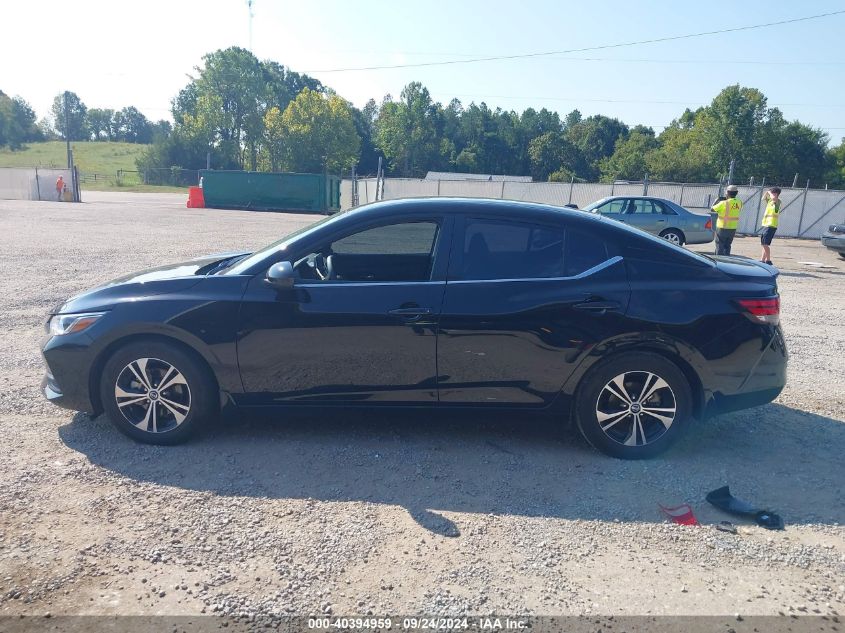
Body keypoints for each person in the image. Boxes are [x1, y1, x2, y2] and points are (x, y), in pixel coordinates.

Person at [711, 184, 742, 256]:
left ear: (727, 193)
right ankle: (727, 261)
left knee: (719, 245)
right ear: (736, 193)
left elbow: (712, 209)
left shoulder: (723, 203)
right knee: (728, 246)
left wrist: (716, 200)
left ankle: (719, 261)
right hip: (733, 228)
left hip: (722, 227)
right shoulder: (739, 202)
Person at [760, 187, 782, 265]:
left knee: (765, 244)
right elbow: (763, 198)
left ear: (776, 194)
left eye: (773, 193)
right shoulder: (770, 201)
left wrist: (769, 192)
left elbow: (773, 197)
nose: (770, 194)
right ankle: (762, 260)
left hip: (771, 225)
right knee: (763, 244)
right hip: (767, 224)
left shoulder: (778, 201)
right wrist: (767, 192)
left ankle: (768, 260)